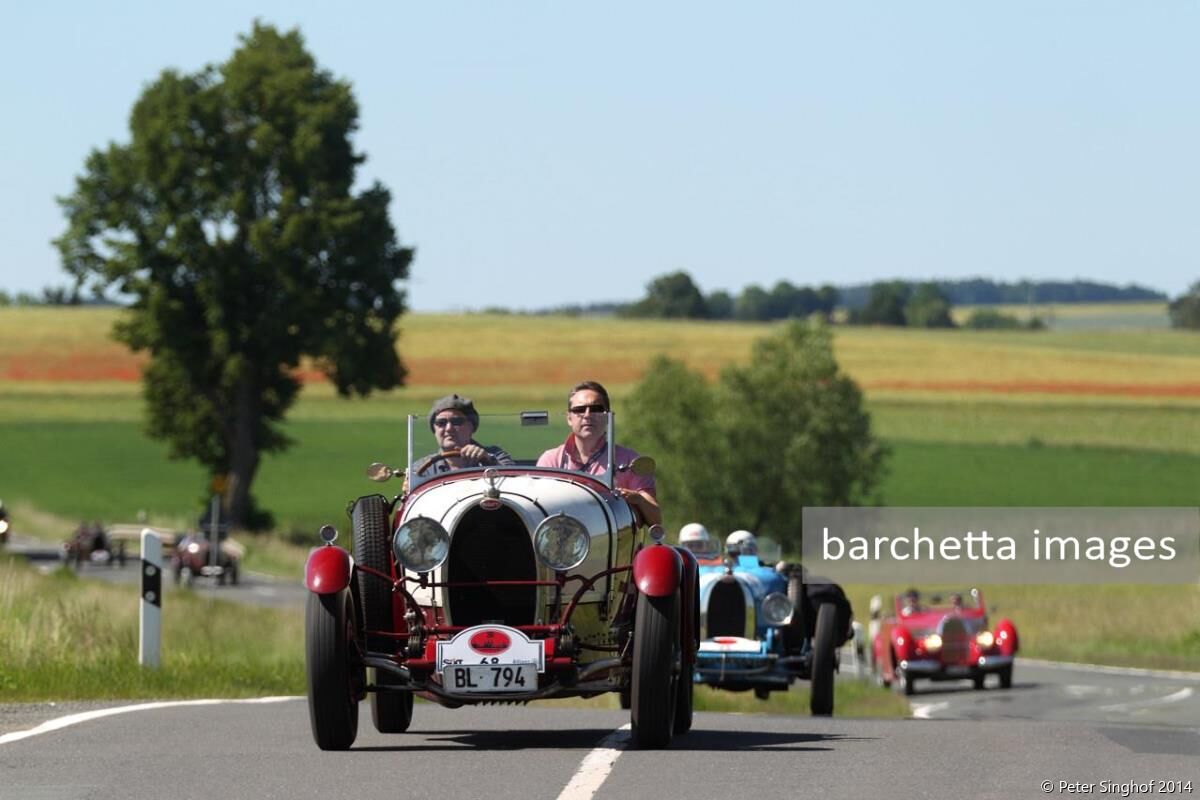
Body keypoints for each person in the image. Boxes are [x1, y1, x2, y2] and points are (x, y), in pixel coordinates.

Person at [537, 380, 661, 526]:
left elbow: (656, 521)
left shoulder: (629, 460)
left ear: (608, 416)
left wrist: (637, 499)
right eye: (579, 410)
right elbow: (538, 513)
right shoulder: (550, 460)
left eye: (596, 409)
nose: (587, 415)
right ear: (569, 418)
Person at [418, 394, 515, 476]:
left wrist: (488, 462)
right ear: (434, 429)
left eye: (457, 421)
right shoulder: (424, 467)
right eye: (441, 423)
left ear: (471, 426)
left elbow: (513, 480)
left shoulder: (496, 455)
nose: (449, 428)